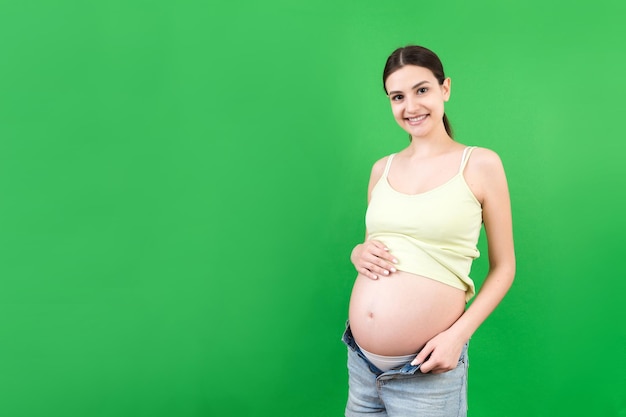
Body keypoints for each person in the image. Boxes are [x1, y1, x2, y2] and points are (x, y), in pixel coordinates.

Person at [342, 45, 516, 417]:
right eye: (398, 97)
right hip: (360, 364)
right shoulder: (381, 169)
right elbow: (382, 244)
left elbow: (505, 267)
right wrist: (358, 252)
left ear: (445, 89)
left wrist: (458, 336)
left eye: (422, 90)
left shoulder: (481, 164)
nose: (411, 106)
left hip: (427, 370)